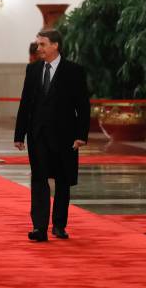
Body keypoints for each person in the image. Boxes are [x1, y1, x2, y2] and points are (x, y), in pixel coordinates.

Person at [14, 29, 90, 242]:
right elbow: (25, 103)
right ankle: (39, 227)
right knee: (39, 179)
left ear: (55, 45)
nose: (39, 48)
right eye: (38, 45)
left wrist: (81, 135)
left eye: (42, 44)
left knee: (63, 181)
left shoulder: (74, 71)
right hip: (37, 134)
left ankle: (59, 225)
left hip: (65, 136)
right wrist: (19, 134)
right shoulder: (33, 70)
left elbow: (83, 106)